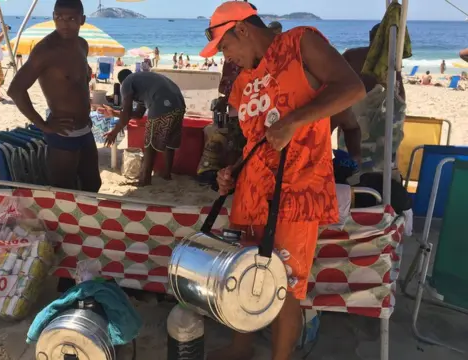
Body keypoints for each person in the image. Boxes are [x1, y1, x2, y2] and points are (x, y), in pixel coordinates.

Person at [200, 3, 365, 359]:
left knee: (284, 284)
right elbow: (250, 139)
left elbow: (352, 88)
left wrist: (294, 122)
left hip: (296, 192)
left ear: (241, 29)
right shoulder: (242, 82)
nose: (225, 57)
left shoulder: (300, 43)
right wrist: (232, 171)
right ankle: (241, 348)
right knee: (240, 274)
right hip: (250, 193)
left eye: (224, 47)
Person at [8, 0, 101, 193]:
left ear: (82, 20)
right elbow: (15, 90)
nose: (64, 23)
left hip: (85, 128)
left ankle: (84, 221)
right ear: (53, 17)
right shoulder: (46, 50)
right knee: (63, 190)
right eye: (59, 17)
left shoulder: (82, 45)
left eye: (71, 18)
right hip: (62, 132)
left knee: (93, 184)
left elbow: (78, 84)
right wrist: (43, 125)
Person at [335, 23, 407, 176]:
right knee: (380, 177)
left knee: (349, 175)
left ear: (370, 35)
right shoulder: (391, 62)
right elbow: (400, 103)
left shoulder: (350, 56)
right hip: (381, 141)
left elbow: (335, 89)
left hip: (350, 131)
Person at [102, 69, 186, 186]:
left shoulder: (126, 83)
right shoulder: (142, 82)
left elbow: (126, 114)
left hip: (161, 104)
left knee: (150, 143)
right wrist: (115, 113)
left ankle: (145, 179)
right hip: (179, 104)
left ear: (121, 83)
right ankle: (167, 174)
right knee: (169, 141)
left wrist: (114, 132)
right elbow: (138, 114)